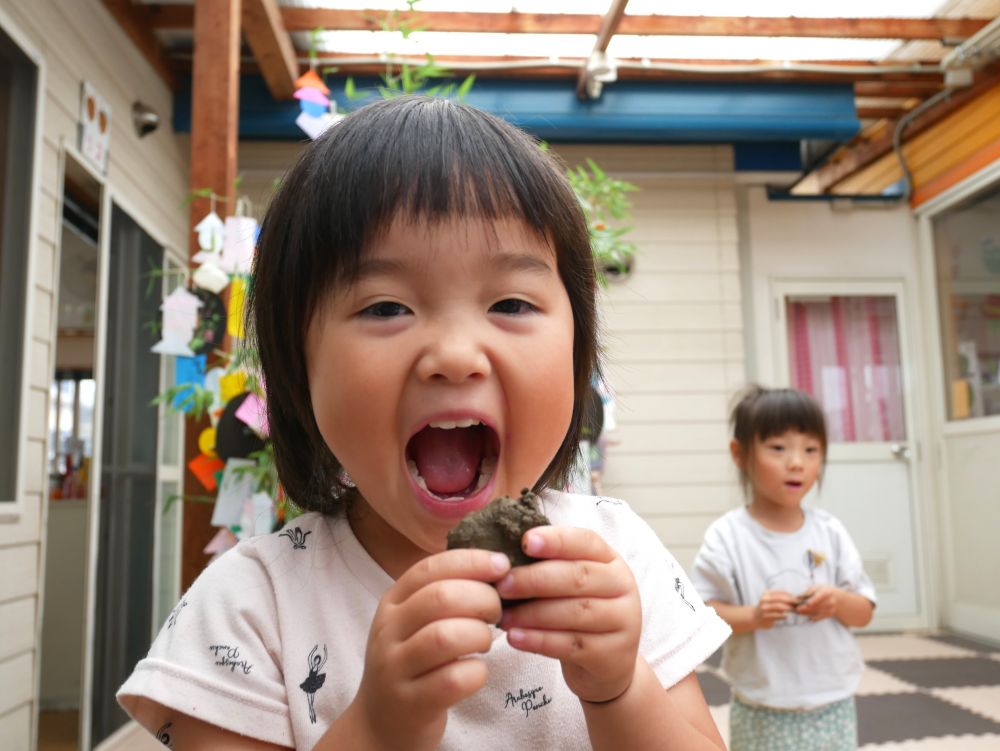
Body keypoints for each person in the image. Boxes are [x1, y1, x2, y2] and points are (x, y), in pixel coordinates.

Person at [117, 96, 731, 750]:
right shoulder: (250, 608)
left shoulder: (615, 560)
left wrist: (619, 687)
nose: (455, 356)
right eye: (386, 307)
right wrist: (378, 728)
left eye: (512, 302)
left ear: (578, 353)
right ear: (299, 368)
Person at [690, 386, 877, 751]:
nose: (797, 462)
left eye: (811, 450)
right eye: (778, 448)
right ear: (740, 454)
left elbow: (864, 611)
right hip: (762, 703)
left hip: (832, 700)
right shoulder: (727, 536)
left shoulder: (830, 532)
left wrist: (837, 601)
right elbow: (704, 616)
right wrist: (754, 615)